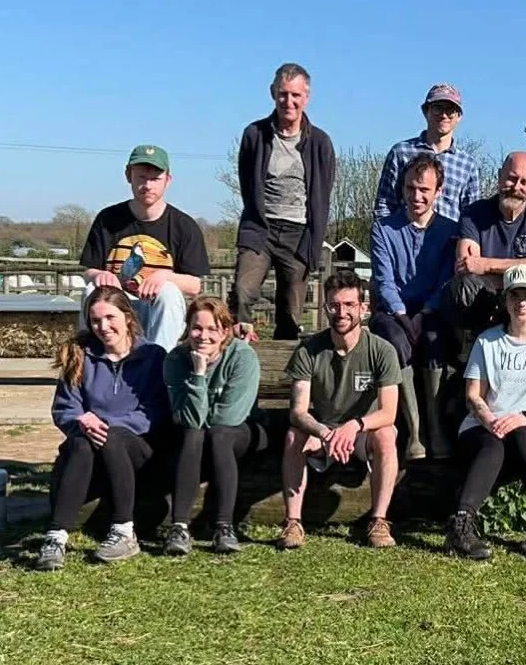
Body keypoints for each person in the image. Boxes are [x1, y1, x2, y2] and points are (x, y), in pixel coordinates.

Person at [445, 265, 526, 561]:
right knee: (491, 443)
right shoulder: (487, 340)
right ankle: (461, 525)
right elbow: (473, 394)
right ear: (505, 300)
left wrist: (524, 416)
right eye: (514, 295)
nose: (522, 303)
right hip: (486, 424)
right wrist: (488, 417)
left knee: (525, 435)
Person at [36, 287, 169, 571]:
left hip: (136, 447)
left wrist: (108, 425)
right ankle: (56, 536)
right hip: (89, 449)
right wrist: (80, 420)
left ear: (128, 317)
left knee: (112, 436)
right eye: (95, 320)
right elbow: (64, 408)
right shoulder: (80, 356)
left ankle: (123, 529)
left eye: (110, 317)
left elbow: (156, 411)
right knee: (81, 442)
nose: (103, 327)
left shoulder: (153, 356)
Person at [277, 270, 402, 550]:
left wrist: (354, 426)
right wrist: (324, 432)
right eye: (334, 305)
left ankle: (379, 520)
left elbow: (388, 411)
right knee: (293, 436)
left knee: (387, 434)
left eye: (349, 305)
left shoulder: (382, 350)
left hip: (362, 433)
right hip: (323, 431)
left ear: (363, 309)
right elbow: (298, 411)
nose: (341, 312)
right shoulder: (309, 350)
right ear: (325, 308)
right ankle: (293, 522)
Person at [230, 63, 337, 341]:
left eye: (295, 95)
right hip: (260, 229)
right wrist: (256, 215)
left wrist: (312, 244)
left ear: (306, 97)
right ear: (272, 93)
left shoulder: (320, 143)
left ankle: (283, 375)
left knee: (291, 312)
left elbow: (322, 196)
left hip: (298, 232)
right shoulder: (255, 135)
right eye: (282, 94)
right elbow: (247, 182)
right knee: (242, 293)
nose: (288, 102)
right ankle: (240, 358)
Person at [370, 153, 458, 459]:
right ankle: (415, 433)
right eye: (410, 188)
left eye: (423, 189)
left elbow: (446, 280)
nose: (416, 196)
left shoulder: (450, 231)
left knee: (434, 341)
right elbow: (384, 280)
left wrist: (423, 315)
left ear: (438, 192)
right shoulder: (384, 228)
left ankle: (436, 428)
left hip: (432, 309)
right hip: (393, 311)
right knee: (395, 342)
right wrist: (403, 316)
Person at [80, 145, 209, 350]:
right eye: (141, 177)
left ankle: (158, 365)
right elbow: (88, 271)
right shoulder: (107, 219)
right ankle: (92, 362)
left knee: (169, 292)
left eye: (155, 179)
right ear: (128, 175)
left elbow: (194, 285)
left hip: (157, 309)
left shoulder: (184, 226)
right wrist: (98, 276)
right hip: (116, 306)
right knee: (91, 290)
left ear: (168, 180)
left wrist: (165, 276)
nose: (148, 185)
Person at [163, 297, 264, 556]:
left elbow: (229, 416)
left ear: (225, 331)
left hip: (241, 430)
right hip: (194, 435)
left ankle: (224, 525)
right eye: (197, 328)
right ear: (188, 328)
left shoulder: (242, 357)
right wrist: (198, 374)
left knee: (218, 434)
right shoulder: (176, 359)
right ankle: (179, 526)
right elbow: (190, 420)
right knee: (193, 433)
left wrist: (198, 401)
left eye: (212, 329)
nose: (203, 336)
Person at [442, 151, 526, 351]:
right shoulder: (474, 214)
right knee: (464, 285)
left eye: (524, 182)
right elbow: (466, 265)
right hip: (487, 298)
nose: (516, 187)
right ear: (499, 175)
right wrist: (523, 271)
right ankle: (473, 353)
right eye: (511, 178)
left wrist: (488, 265)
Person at [374, 83, 480, 222]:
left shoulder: (468, 165)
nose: (443, 115)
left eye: (450, 110)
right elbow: (384, 205)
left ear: (459, 116)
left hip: (448, 242)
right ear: (425, 111)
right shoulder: (401, 152)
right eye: (437, 108)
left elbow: (471, 218)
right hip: (403, 240)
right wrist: (386, 238)